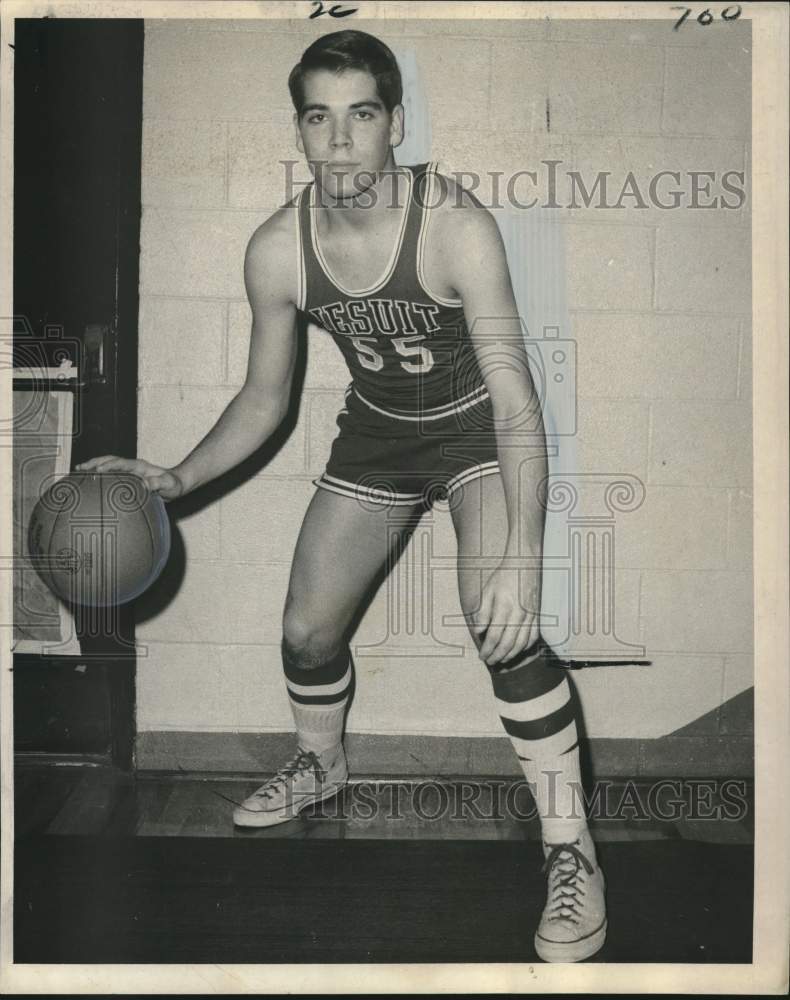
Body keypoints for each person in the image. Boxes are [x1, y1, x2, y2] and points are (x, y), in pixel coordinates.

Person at [77, 29, 606, 964]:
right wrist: (175, 477)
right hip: (379, 437)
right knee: (306, 632)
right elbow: (265, 399)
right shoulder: (279, 250)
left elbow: (519, 395)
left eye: (361, 115)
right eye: (319, 118)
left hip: (480, 428)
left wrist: (524, 556)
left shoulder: (454, 225)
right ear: (301, 129)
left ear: (392, 125)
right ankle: (321, 765)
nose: (339, 139)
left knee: (504, 626)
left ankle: (572, 853)